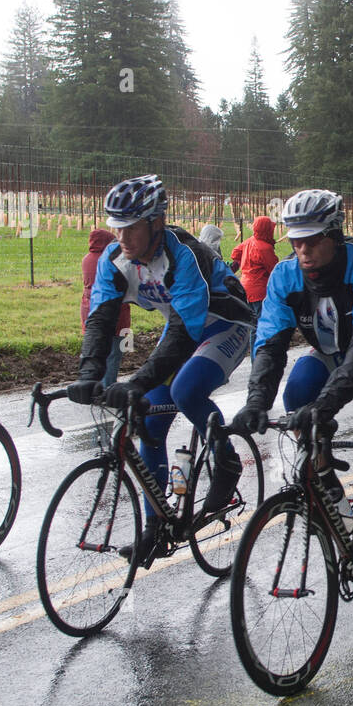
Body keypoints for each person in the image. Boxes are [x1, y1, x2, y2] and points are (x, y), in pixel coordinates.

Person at [230, 189, 353, 620]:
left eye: (313, 240)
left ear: (335, 235)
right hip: (335, 349)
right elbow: (271, 345)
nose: (303, 250)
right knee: (297, 392)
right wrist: (256, 400)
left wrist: (327, 406)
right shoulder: (284, 277)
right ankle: (325, 476)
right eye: (296, 241)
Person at [69, 175, 255, 566]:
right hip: (183, 326)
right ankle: (156, 529)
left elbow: (186, 334)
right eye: (117, 226)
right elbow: (102, 321)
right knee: (148, 425)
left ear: (155, 223)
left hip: (224, 323)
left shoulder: (184, 254)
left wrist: (137, 381)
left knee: (186, 390)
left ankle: (226, 459)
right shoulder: (114, 259)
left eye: (131, 227)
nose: (122, 236)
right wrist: (88, 373)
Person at [82, 227, 128, 386]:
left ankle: (91, 383)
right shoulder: (112, 260)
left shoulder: (86, 259)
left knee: (95, 348)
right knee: (115, 351)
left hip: (89, 308)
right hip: (115, 311)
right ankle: (108, 385)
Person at [229, 215, 280, 318]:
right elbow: (274, 270)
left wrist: (247, 260)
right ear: (266, 229)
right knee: (261, 322)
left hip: (245, 287)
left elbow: (234, 254)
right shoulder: (265, 248)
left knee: (251, 321)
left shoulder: (250, 241)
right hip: (259, 291)